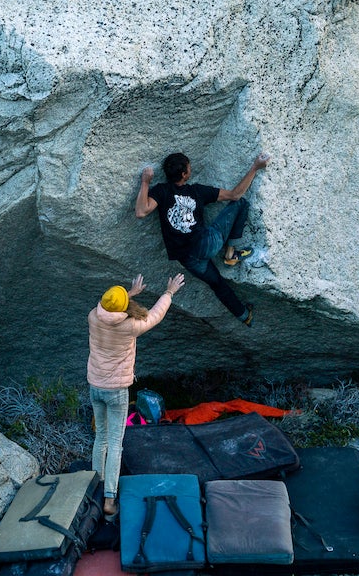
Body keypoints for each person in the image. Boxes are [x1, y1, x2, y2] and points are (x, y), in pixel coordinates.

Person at [87, 272, 185, 519]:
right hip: (116, 392)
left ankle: (95, 490)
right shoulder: (128, 326)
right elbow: (154, 316)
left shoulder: (92, 317)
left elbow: (106, 308)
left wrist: (128, 294)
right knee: (116, 445)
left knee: (101, 440)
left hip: (95, 387)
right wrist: (169, 292)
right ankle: (109, 498)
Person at [135, 151, 269, 326]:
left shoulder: (161, 190)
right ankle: (231, 252)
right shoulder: (197, 191)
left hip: (188, 258)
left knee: (217, 284)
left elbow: (141, 211)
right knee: (240, 203)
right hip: (207, 243)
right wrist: (255, 167)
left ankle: (245, 316)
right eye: (189, 167)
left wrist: (145, 181)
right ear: (184, 174)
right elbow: (235, 195)